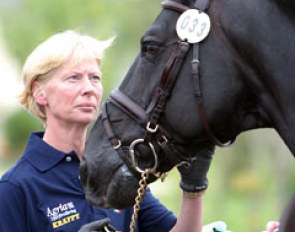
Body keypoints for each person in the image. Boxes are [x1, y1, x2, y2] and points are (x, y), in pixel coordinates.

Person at [0, 30, 213, 232]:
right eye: (73, 78)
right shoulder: (15, 187)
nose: (89, 89)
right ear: (39, 93)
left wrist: (193, 189)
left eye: (94, 78)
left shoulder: (120, 167)